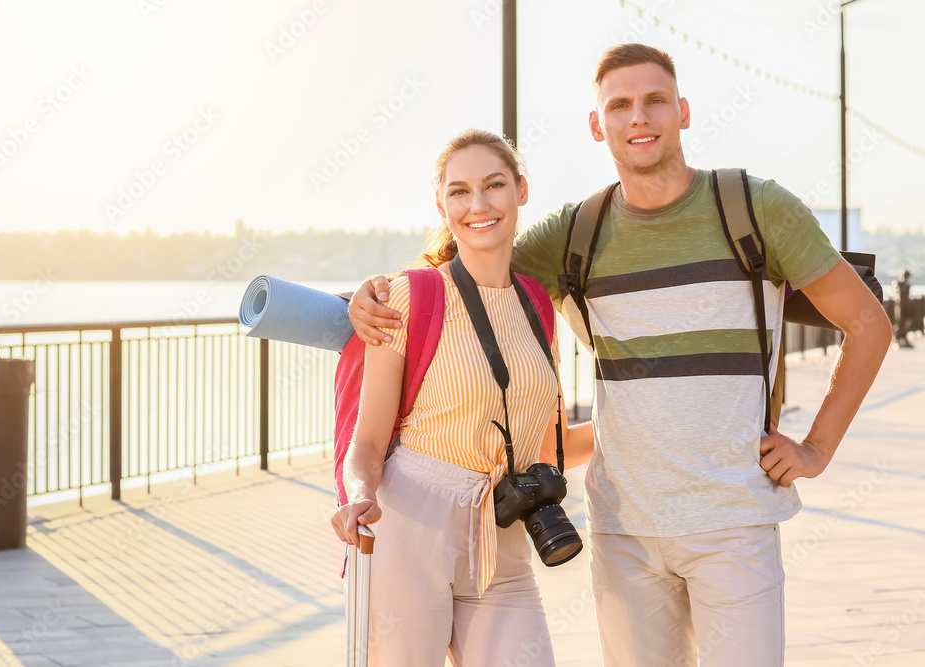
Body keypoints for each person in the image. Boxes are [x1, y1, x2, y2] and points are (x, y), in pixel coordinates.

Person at [347, 44, 892, 667]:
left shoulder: (756, 207)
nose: (639, 117)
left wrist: (817, 449)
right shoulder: (575, 233)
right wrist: (365, 296)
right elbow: (470, 269)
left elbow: (868, 325)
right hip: (623, 531)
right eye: (620, 105)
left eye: (655, 100)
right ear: (597, 124)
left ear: (682, 111)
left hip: (735, 519)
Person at [330, 129, 595, 667]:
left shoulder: (539, 307)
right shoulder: (406, 295)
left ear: (521, 190)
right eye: (459, 191)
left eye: (494, 185)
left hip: (500, 532)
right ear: (441, 203)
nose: (477, 205)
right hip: (408, 527)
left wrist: (652, 421)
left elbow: (550, 445)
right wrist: (357, 494)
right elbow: (370, 442)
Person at [892, 267, 914, 347]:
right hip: (900, 306)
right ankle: (898, 338)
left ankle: (904, 338)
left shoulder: (907, 284)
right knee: (900, 322)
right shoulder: (899, 283)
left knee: (906, 322)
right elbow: (896, 293)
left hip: (906, 306)